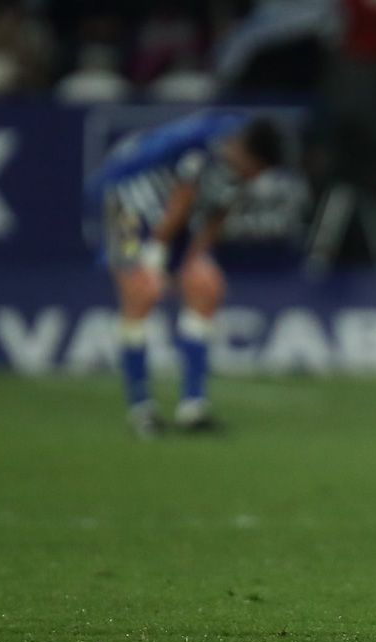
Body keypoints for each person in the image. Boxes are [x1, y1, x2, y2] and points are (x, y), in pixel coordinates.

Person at [86, 112, 285, 438]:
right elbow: (182, 198)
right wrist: (153, 258)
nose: (257, 177)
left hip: (170, 222)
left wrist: (195, 258)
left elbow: (216, 214)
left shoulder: (236, 169)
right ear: (251, 156)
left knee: (207, 287)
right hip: (124, 205)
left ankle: (193, 406)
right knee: (142, 293)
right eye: (259, 169)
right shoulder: (207, 146)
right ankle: (141, 409)